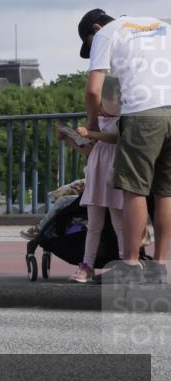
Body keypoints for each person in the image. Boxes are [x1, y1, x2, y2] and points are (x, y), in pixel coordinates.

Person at [78, 8, 170, 283]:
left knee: (134, 189)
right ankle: (160, 265)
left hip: (142, 114)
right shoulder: (160, 25)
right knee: (165, 192)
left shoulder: (107, 33)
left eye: (88, 45)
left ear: (95, 28)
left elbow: (93, 90)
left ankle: (130, 264)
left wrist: (92, 123)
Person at [70, 76, 124, 283]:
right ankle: (87, 264)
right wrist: (74, 139)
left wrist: (92, 132)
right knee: (94, 223)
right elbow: (91, 148)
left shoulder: (121, 120)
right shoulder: (100, 121)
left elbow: (115, 138)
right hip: (98, 170)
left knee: (119, 222)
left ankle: (123, 260)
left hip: (113, 171)